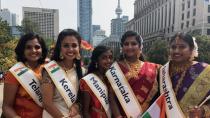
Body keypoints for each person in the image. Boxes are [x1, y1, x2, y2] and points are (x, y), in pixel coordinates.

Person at [106, 31, 160, 117]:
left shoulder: (152, 68)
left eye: (133, 43)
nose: (129, 47)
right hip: (122, 114)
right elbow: (111, 97)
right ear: (122, 47)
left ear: (140, 46)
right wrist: (118, 116)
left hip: (146, 114)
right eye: (126, 44)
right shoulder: (114, 69)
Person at [159, 32, 210, 118]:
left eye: (182, 47)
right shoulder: (163, 72)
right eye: (173, 47)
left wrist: (203, 111)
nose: (176, 51)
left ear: (191, 49)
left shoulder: (205, 71)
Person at [40, 29, 85, 118]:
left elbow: (82, 99)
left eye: (74, 45)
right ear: (60, 47)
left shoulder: (82, 71)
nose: (70, 49)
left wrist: (77, 106)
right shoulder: (50, 70)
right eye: (66, 45)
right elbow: (47, 103)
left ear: (79, 48)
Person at [2, 33, 48, 118]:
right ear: (22, 51)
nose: (33, 50)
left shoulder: (48, 70)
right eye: (28, 47)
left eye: (37, 47)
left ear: (42, 50)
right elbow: (6, 106)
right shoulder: (14, 73)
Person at [80, 46, 113, 118]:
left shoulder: (112, 78)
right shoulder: (88, 80)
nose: (108, 61)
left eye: (110, 57)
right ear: (96, 60)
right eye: (104, 58)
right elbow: (85, 111)